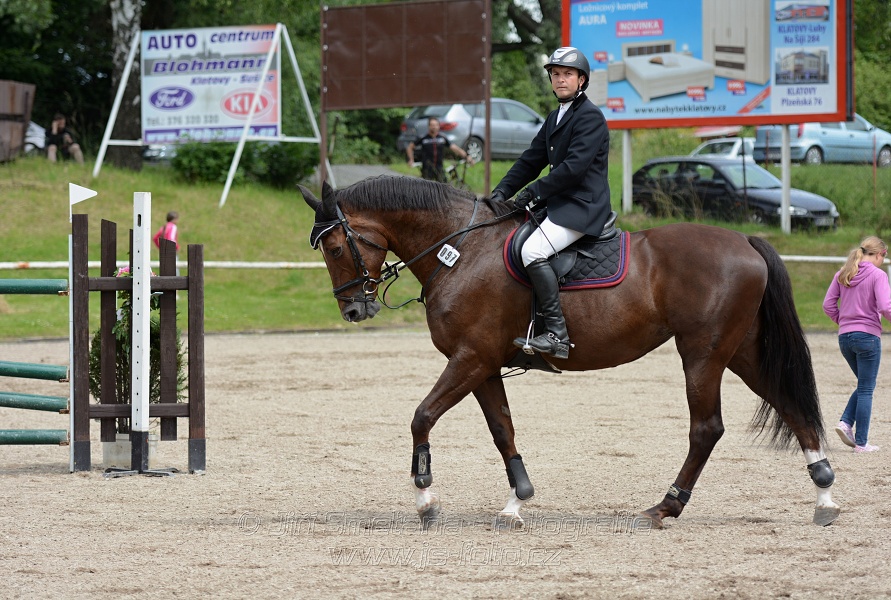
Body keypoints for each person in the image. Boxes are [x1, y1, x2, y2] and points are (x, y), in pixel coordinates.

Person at [489, 47, 611, 360]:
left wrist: (533, 192)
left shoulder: (591, 118)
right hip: (559, 203)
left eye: (567, 74)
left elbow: (573, 169)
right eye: (555, 74)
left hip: (582, 206)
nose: (560, 79)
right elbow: (530, 160)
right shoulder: (556, 116)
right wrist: (500, 193)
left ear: (581, 80)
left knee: (533, 251)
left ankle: (556, 334)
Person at [823, 236, 891, 453]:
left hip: (845, 338)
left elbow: (827, 305)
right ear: (880, 254)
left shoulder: (843, 273)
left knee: (864, 385)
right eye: (884, 257)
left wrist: (843, 321)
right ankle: (861, 443)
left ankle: (845, 422)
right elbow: (885, 306)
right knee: (866, 389)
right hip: (868, 337)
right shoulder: (878, 275)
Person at [406, 117, 473, 182]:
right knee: (427, 190)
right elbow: (410, 147)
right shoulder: (423, 138)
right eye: (432, 125)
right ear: (429, 126)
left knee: (444, 188)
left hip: (439, 168)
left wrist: (467, 156)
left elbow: (455, 148)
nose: (434, 127)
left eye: (436, 125)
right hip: (427, 169)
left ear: (439, 126)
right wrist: (411, 160)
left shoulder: (442, 138)